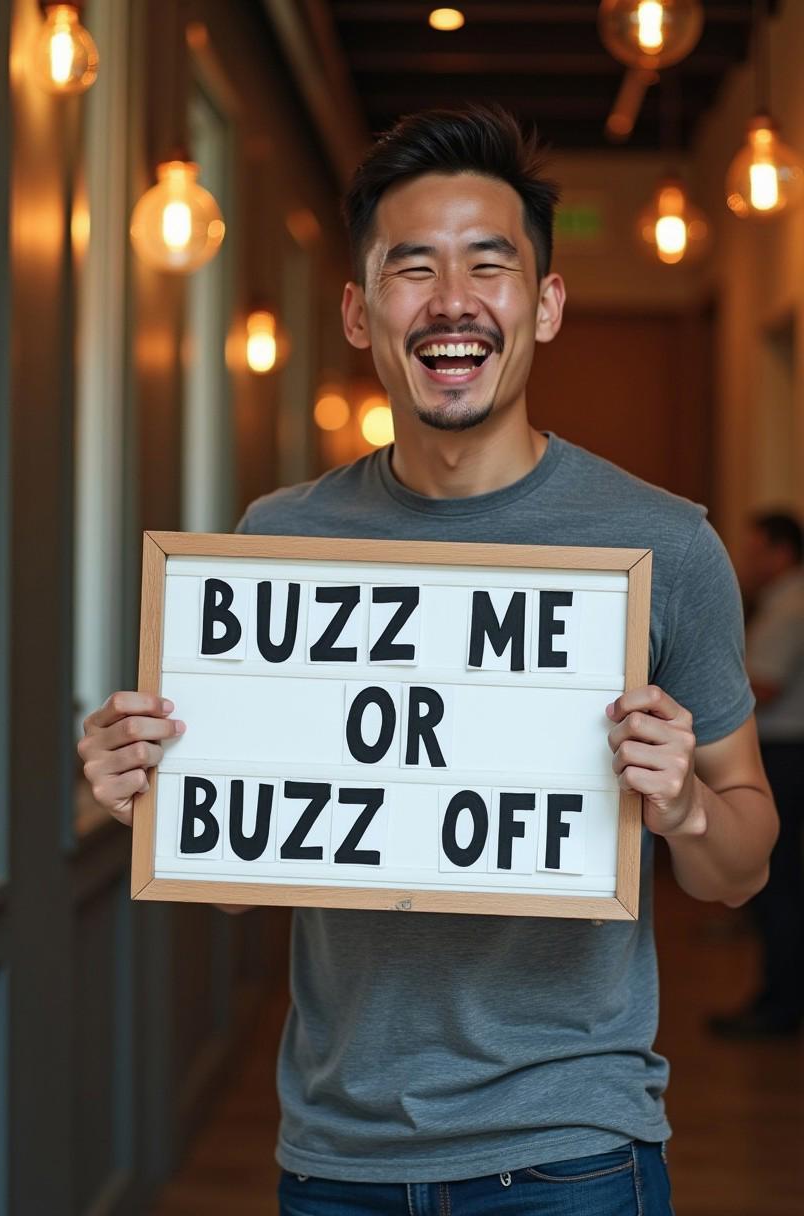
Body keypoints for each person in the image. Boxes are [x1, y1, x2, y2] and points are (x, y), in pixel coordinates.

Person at [78, 104, 778, 1215]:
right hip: (336, 1154)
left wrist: (686, 806)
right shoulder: (280, 545)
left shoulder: (665, 545)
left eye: (489, 266)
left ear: (545, 304)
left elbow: (740, 866)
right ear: (360, 314)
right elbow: (237, 889)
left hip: (573, 1151)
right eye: (414, 269)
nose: (453, 299)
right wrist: (151, 792)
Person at [709, 511, 804, 1038]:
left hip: (785, 752)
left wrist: (702, 696)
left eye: (755, 550)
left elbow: (764, 685)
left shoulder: (790, 605)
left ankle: (779, 1005)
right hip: (786, 749)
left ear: (781, 552)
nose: (745, 561)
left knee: (775, 881)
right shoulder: (783, 601)